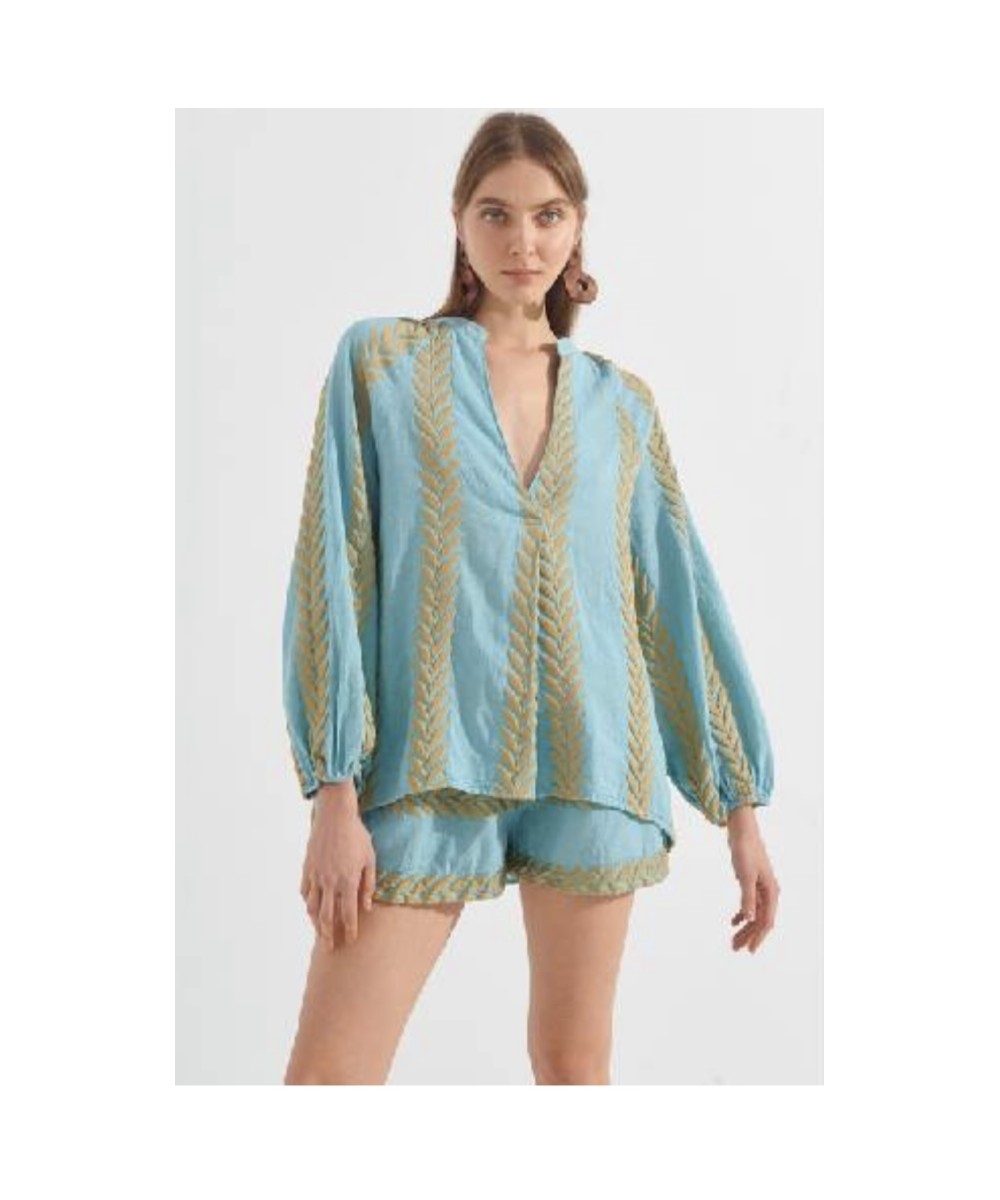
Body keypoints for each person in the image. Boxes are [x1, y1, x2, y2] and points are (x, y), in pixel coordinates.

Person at [281, 112, 780, 1086]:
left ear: (578, 224)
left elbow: (674, 600)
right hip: (424, 763)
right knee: (329, 1079)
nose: (523, 241)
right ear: (458, 223)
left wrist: (740, 809)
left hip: (593, 763)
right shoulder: (383, 365)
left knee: (572, 1070)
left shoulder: (622, 405)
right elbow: (332, 567)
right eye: (496, 214)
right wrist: (333, 791)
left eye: (547, 215)